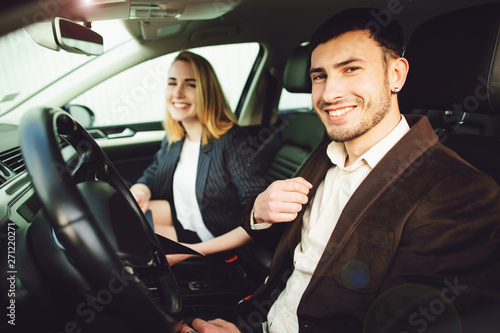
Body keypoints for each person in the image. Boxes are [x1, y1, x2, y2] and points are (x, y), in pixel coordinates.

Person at [178, 7, 500, 333]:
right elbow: (287, 245)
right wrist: (259, 212)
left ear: (396, 75)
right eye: (320, 76)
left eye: (351, 69)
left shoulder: (461, 192)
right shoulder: (326, 151)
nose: (330, 94)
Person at [130, 51, 266, 243]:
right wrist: (140, 191)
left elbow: (257, 212)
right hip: (182, 220)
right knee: (121, 216)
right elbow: (153, 173)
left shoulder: (232, 141)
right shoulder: (176, 137)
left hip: (211, 239)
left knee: (130, 241)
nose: (178, 93)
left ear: (207, 92)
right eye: (172, 82)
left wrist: (194, 252)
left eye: (190, 84)